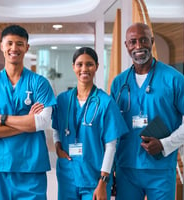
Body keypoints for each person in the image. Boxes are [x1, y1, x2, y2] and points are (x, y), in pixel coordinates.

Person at [0, 24, 56, 200]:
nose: (14, 48)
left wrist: (2, 119)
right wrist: (28, 122)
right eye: (9, 43)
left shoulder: (40, 83)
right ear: (1, 46)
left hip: (31, 165)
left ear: (27, 47)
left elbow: (43, 123)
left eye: (19, 43)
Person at [110, 22, 184, 200]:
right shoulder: (119, 83)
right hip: (126, 168)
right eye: (133, 42)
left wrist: (166, 143)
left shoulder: (174, 79)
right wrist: (110, 170)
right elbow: (112, 128)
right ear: (126, 45)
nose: (138, 46)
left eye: (144, 40)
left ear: (152, 41)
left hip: (160, 169)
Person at [52, 47, 128, 200]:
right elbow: (56, 128)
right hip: (68, 175)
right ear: (73, 67)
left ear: (97, 67)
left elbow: (111, 146)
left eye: (89, 64)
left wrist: (103, 181)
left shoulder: (105, 102)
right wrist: (57, 146)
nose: (84, 69)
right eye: (79, 64)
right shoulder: (62, 100)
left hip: (94, 178)